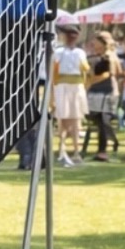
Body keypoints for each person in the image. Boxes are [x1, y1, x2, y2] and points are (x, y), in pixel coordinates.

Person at [51, 22, 88, 166]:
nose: (72, 38)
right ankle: (62, 149)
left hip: (76, 86)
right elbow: (54, 72)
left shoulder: (80, 52)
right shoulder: (59, 52)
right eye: (69, 35)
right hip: (63, 86)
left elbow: (84, 70)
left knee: (76, 119)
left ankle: (76, 151)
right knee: (63, 119)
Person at [82, 31, 120, 162]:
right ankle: (110, 141)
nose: (93, 43)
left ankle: (102, 150)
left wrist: (89, 83)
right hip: (95, 92)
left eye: (96, 41)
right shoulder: (94, 56)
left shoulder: (109, 57)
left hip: (107, 92)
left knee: (104, 120)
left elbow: (110, 74)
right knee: (96, 118)